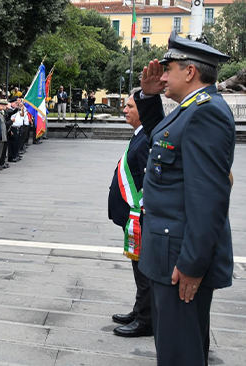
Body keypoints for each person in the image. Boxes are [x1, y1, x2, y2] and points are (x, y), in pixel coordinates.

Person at [135, 32, 234, 365]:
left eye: (168, 70)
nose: (162, 76)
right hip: (169, 252)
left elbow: (208, 199)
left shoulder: (206, 113)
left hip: (180, 261)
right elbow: (162, 140)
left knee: (180, 354)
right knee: (174, 346)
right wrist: (149, 98)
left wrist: (192, 264)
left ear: (189, 72)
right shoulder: (190, 109)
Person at [108, 90, 152, 338]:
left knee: (143, 267)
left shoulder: (145, 138)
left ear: (142, 111)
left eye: (129, 107)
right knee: (138, 265)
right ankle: (140, 310)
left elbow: (149, 180)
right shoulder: (139, 135)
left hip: (141, 217)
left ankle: (146, 320)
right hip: (134, 217)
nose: (124, 110)